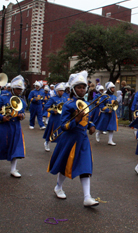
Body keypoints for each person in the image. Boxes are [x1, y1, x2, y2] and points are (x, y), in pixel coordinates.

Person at [48, 70, 99, 207]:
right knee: (65, 165)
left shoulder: (87, 103)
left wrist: (92, 126)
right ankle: (58, 187)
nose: (82, 90)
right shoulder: (68, 105)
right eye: (79, 87)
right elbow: (63, 126)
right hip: (69, 140)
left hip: (83, 140)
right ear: (73, 89)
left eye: (84, 87)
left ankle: (87, 197)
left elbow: (88, 120)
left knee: (85, 167)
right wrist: (76, 119)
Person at [0, 75, 27, 177]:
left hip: (15, 126)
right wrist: (1, 117)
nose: (19, 91)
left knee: (16, 147)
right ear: (12, 89)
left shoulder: (22, 101)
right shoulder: (4, 97)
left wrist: (21, 116)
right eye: (17, 89)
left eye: (20, 89)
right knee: (1, 144)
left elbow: (23, 114)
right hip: (4, 125)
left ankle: (13, 169)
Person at [42, 82, 67, 152]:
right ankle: (46, 142)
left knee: (61, 132)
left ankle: (60, 145)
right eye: (60, 91)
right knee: (51, 131)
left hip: (62, 117)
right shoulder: (53, 98)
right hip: (54, 118)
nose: (61, 92)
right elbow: (46, 107)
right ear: (57, 91)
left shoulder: (64, 98)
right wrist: (53, 110)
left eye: (62, 91)